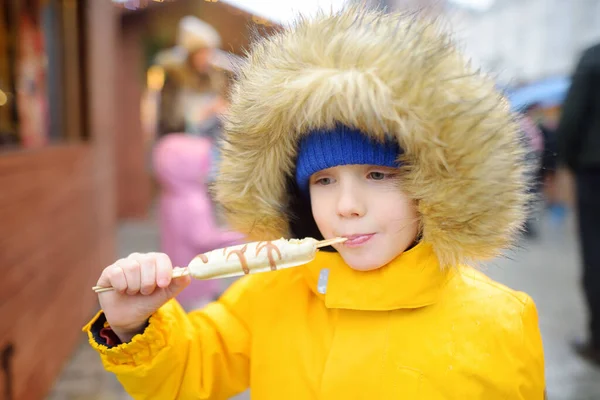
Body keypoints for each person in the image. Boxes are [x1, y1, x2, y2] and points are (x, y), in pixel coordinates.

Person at [84, 6, 545, 399]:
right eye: (324, 180)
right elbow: (192, 368)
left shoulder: (498, 321)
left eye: (378, 175)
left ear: (436, 182)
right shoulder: (272, 292)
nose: (346, 205)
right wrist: (133, 326)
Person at [555, 42, 600, 364]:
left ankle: (598, 341)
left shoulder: (594, 57)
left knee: (596, 254)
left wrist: (569, 159)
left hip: (595, 168)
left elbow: (572, 117)